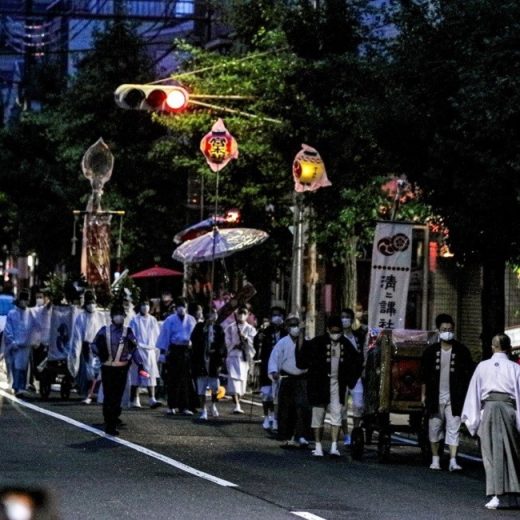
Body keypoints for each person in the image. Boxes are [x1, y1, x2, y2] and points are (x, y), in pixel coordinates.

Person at [461, 333, 520, 509]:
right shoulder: (515, 368)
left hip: (489, 409)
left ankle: (496, 495)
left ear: (492, 347)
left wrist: (474, 418)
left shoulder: (482, 366)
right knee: (512, 452)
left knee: (491, 452)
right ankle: (515, 494)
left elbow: (474, 392)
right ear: (509, 348)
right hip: (509, 409)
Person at [296, 315, 362, 457]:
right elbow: (302, 360)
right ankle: (318, 446)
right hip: (320, 384)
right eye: (333, 330)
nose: (336, 333)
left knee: (337, 414)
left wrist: (350, 381)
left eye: (338, 331)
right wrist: (301, 337)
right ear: (327, 330)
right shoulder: (317, 343)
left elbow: (357, 361)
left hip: (338, 384)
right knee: (318, 415)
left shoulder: (346, 344)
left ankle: (334, 446)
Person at [420, 313, 474, 471]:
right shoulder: (430, 352)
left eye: (450, 329)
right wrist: (423, 395)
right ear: (438, 330)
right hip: (435, 397)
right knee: (434, 428)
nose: (447, 332)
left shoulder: (462, 351)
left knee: (453, 427)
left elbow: (468, 374)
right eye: (444, 329)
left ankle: (452, 459)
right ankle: (435, 458)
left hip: (455, 397)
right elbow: (424, 376)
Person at [92, 304, 146, 436]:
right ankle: (109, 421)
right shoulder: (104, 331)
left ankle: (113, 419)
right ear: (111, 317)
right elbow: (94, 345)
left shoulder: (128, 332)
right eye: (117, 314)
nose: (119, 317)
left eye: (121, 314)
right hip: (108, 368)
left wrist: (140, 364)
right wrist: (100, 353)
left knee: (117, 396)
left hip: (122, 369)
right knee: (109, 395)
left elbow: (134, 349)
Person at [268, 314, 311, 448]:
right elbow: (274, 358)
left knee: (303, 407)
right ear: (287, 328)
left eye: (297, 325)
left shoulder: (306, 341)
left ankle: (302, 436)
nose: (295, 328)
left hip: (303, 379)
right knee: (287, 408)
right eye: (292, 325)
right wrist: (274, 371)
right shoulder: (282, 343)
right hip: (287, 378)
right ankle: (287, 436)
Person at [156, 297, 197, 415]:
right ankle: (171, 406)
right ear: (176, 307)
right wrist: (163, 353)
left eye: (183, 306)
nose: (181, 308)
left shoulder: (191, 320)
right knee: (173, 379)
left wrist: (192, 345)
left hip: (186, 351)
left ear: (187, 307)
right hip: (174, 350)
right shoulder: (170, 320)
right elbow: (165, 336)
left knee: (185, 380)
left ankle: (184, 407)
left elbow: (194, 336)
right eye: (179, 306)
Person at [67, 290, 106, 402]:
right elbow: (77, 335)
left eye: (93, 302)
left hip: (98, 346)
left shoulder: (100, 316)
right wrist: (76, 351)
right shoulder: (81, 317)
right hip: (86, 347)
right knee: (89, 372)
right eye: (89, 302)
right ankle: (88, 393)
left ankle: (96, 393)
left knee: (98, 371)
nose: (91, 304)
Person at [191, 307, 226, 420]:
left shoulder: (218, 328)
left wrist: (216, 351)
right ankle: (203, 409)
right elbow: (194, 340)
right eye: (211, 313)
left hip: (213, 362)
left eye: (215, 313)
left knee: (215, 386)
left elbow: (222, 345)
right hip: (201, 361)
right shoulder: (199, 327)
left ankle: (213, 405)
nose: (213, 316)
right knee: (201, 387)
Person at [254, 306, 286, 430]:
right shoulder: (265, 331)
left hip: (281, 366)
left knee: (277, 395)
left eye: (279, 315)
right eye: (274, 315)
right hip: (267, 365)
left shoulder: (285, 332)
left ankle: (275, 417)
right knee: (266, 394)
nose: (276, 318)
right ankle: (266, 416)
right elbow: (257, 345)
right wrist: (259, 340)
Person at [129, 298, 162, 408]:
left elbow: (157, 335)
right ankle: (135, 399)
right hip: (138, 349)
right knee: (136, 375)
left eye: (147, 304)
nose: (145, 307)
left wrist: (157, 349)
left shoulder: (153, 320)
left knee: (150, 375)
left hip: (150, 351)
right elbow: (131, 335)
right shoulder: (135, 320)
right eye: (143, 304)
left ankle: (152, 398)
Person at [3, 290, 36, 396]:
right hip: (15, 345)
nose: (24, 302)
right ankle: (17, 387)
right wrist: (12, 341)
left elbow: (34, 327)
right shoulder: (12, 314)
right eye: (23, 300)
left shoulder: (30, 313)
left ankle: (22, 386)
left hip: (26, 345)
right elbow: (8, 329)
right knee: (15, 366)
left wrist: (33, 340)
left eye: (26, 300)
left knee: (24, 367)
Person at [224, 306, 256, 414]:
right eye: (239, 313)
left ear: (247, 315)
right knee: (234, 382)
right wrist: (235, 344)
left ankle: (239, 400)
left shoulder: (250, 329)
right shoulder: (230, 328)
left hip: (243, 358)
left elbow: (253, 343)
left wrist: (245, 339)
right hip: (233, 356)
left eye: (244, 313)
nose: (241, 315)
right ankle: (237, 405)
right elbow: (227, 341)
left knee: (242, 382)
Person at [340, 308, 365, 445]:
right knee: (342, 408)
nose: (345, 320)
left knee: (358, 405)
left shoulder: (358, 336)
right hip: (342, 377)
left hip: (356, 376)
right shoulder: (337, 337)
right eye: (342, 317)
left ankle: (356, 432)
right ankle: (346, 436)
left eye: (347, 317)